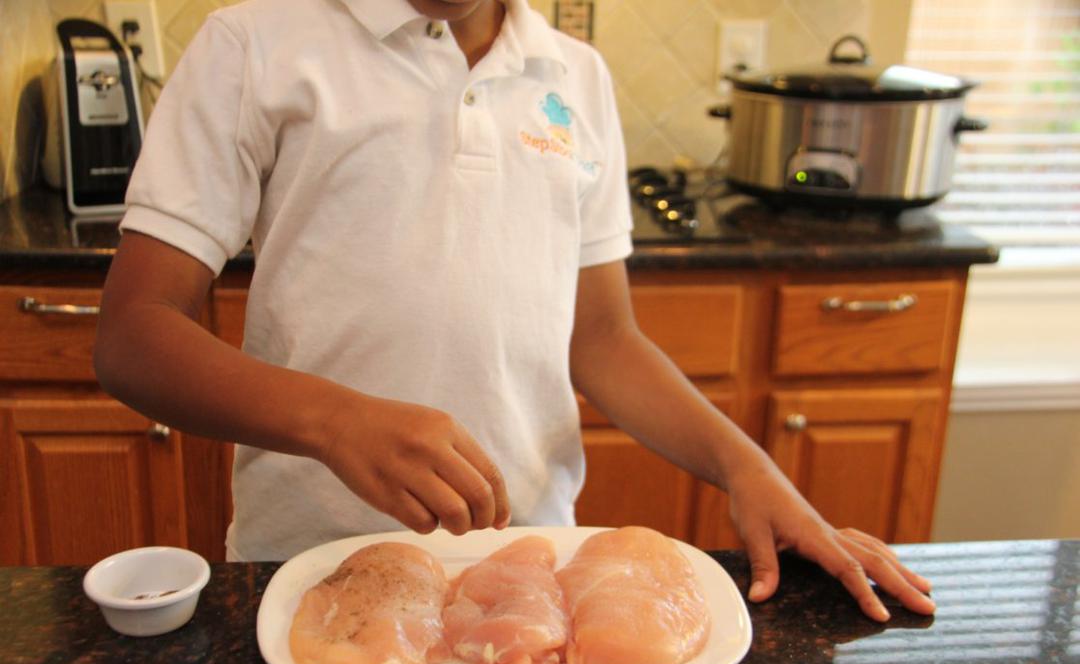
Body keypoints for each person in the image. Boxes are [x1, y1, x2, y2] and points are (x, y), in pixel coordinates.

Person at [94, 0, 935, 623]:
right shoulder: (257, 45)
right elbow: (134, 333)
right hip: (313, 572)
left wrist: (748, 467)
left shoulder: (574, 74)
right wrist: (335, 420)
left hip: (531, 571)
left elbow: (602, 337)